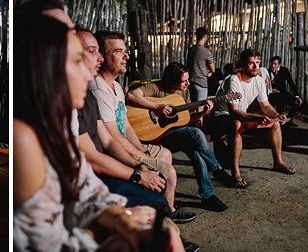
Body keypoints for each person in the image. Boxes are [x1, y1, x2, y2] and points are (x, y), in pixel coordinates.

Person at [13, 14, 183, 251]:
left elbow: (85, 185)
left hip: (109, 174)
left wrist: (127, 224)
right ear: (43, 66)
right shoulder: (23, 139)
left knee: (161, 220)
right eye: (76, 61)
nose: (89, 71)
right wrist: (128, 216)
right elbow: (47, 240)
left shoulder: (62, 120)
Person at [91, 30, 193, 222]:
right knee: (168, 172)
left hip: (125, 144)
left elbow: (127, 127)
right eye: (119, 51)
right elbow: (113, 138)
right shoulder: (98, 89)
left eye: (125, 51)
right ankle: (165, 218)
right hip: (114, 151)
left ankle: (168, 207)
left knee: (165, 154)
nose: (126, 56)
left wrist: (143, 151)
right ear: (102, 57)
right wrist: (144, 160)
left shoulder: (116, 86)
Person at [74, 28, 173, 211]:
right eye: (92, 51)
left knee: (162, 174)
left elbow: (111, 139)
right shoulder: (77, 96)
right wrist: (137, 174)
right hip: (85, 178)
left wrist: (141, 164)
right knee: (157, 199)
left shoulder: (86, 95)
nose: (100, 59)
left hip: (103, 165)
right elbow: (95, 156)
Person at [126, 62, 233, 211]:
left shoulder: (184, 92)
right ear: (172, 80)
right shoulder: (155, 87)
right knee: (195, 134)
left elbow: (186, 118)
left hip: (172, 135)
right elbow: (131, 95)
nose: (188, 83)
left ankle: (208, 196)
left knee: (195, 148)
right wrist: (156, 107)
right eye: (184, 81)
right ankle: (216, 171)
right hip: (151, 136)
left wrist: (203, 113)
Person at [206, 49, 296, 189]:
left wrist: (276, 115)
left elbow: (265, 106)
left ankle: (278, 162)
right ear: (242, 65)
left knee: (275, 123)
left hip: (241, 115)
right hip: (220, 116)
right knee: (236, 124)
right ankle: (235, 172)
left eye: (257, 63)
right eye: (251, 63)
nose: (255, 67)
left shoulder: (259, 81)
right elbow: (234, 112)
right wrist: (257, 118)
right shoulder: (233, 80)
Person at [185, 27, 216, 101]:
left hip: (190, 82)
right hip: (201, 83)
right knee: (201, 108)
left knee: (192, 107)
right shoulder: (206, 51)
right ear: (205, 36)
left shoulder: (191, 50)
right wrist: (209, 71)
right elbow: (213, 69)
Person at [268, 56, 303, 121]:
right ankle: (278, 120)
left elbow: (291, 83)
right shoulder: (267, 71)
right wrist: (271, 89)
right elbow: (264, 85)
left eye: (275, 64)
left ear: (279, 64)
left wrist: (297, 96)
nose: (273, 66)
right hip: (272, 95)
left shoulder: (284, 70)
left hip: (283, 94)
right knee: (280, 100)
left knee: (297, 102)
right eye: (272, 64)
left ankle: (288, 120)